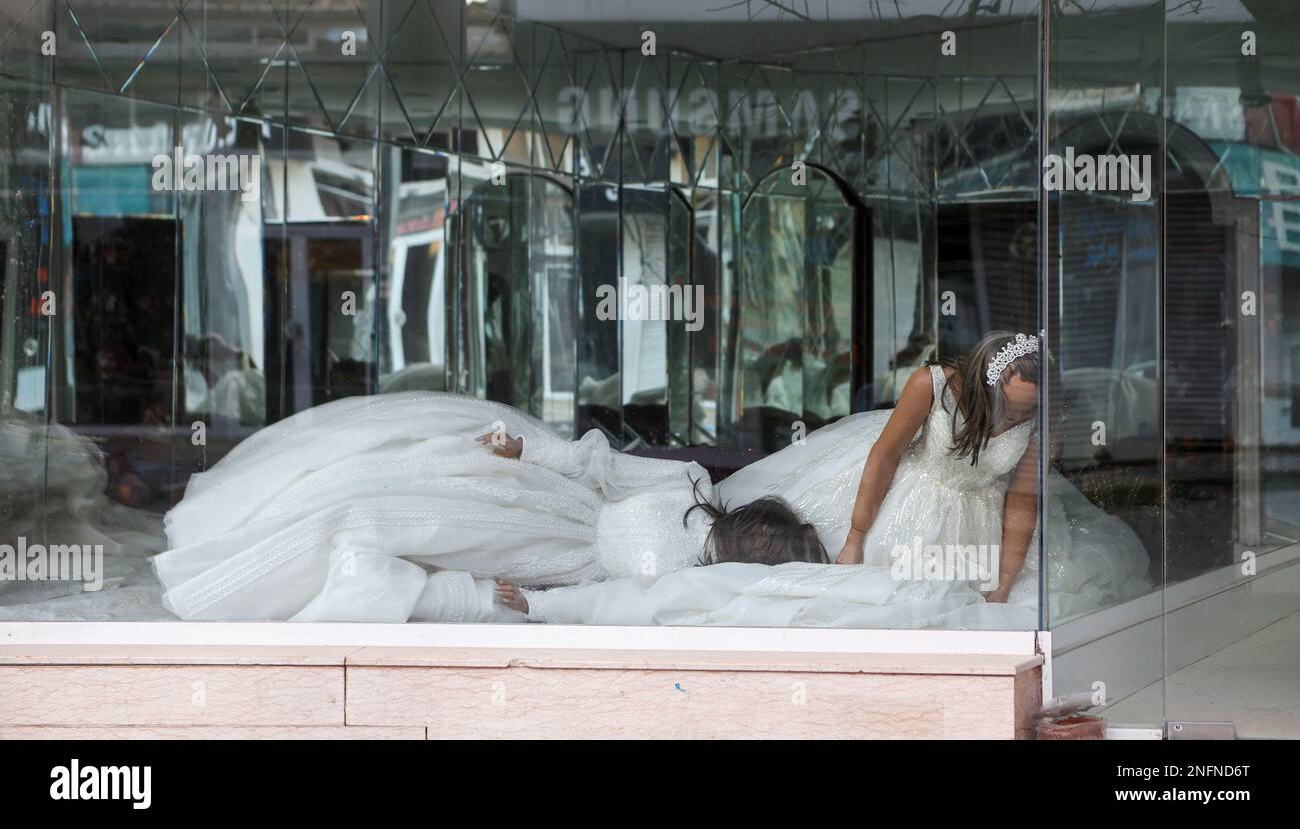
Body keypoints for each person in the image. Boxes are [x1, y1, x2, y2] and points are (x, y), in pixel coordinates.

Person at [151, 330, 1150, 622]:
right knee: (365, 495)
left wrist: (472, 594)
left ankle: (342, 568)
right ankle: (278, 552)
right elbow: (594, 462)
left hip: (542, 542)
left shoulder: (643, 553)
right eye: (1017, 390)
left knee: (375, 516)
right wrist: (525, 456)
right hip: (534, 514)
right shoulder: (667, 498)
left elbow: (572, 556)